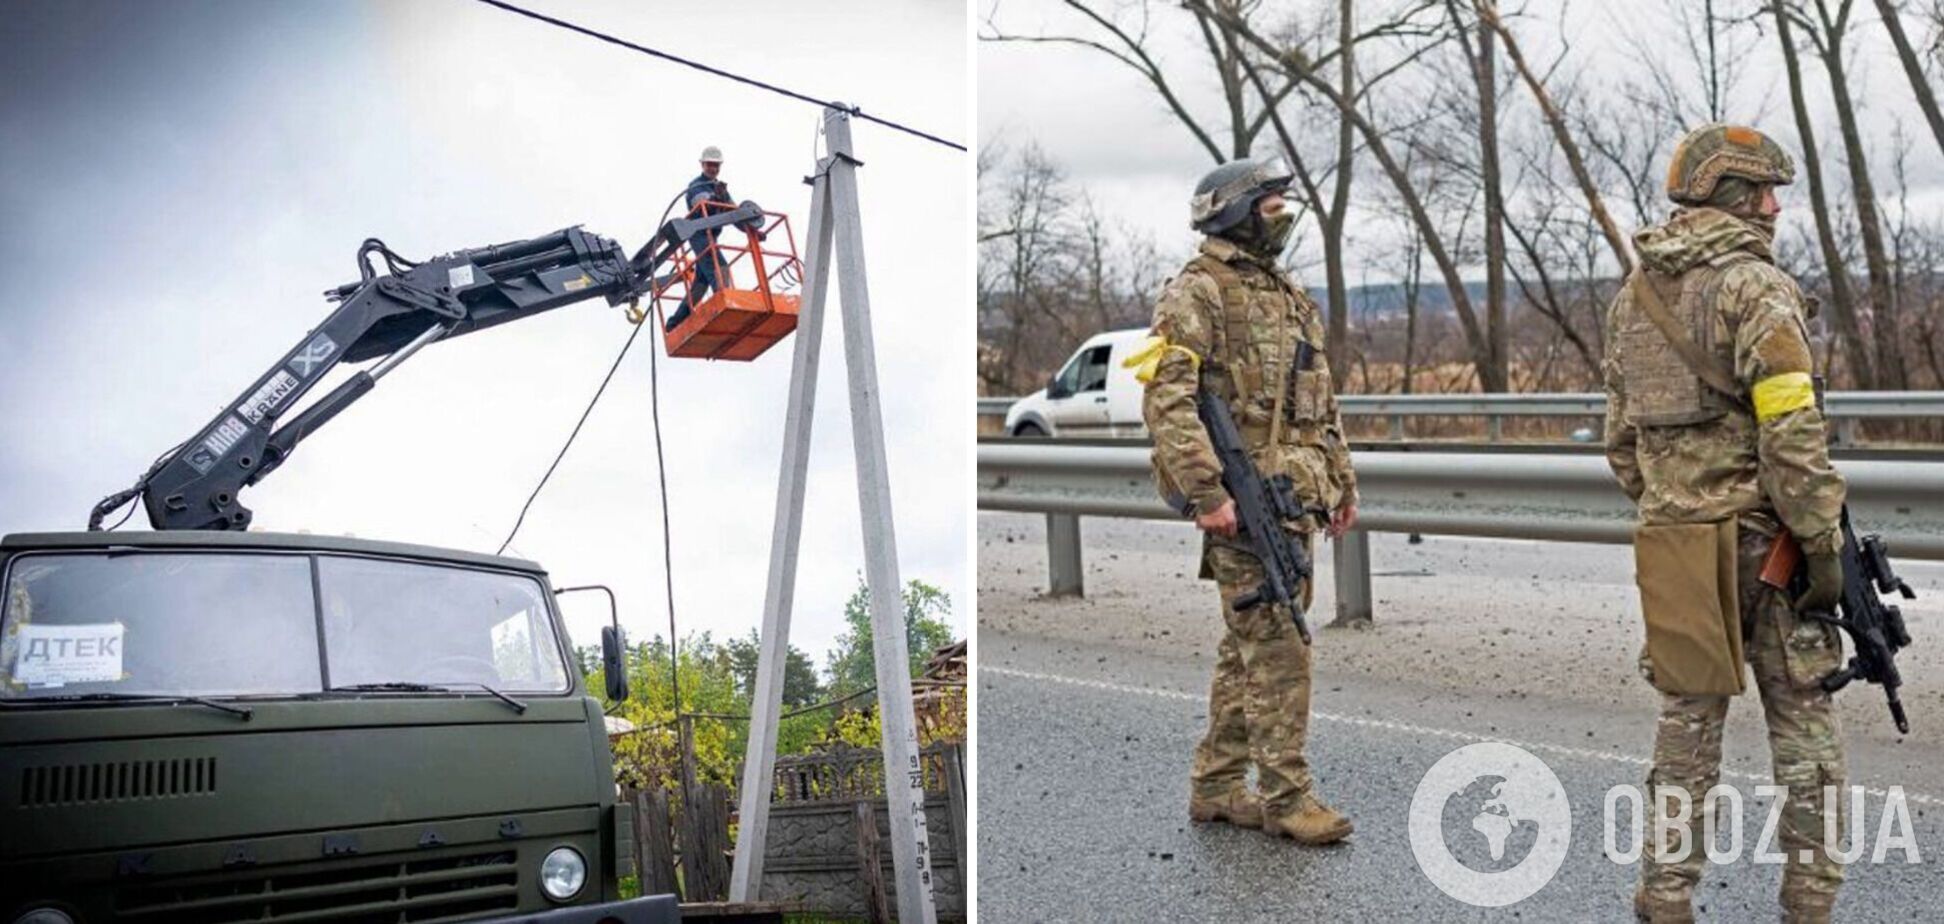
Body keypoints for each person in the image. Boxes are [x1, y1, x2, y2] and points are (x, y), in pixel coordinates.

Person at [1603, 123, 1848, 924]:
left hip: (1678, 542)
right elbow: (1791, 430)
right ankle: (1810, 903)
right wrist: (1819, 540)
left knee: (1686, 728)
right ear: (1734, 194)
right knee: (1804, 724)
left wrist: (1674, 501)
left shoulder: (1634, 298)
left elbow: (1620, 441)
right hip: (1761, 544)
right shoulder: (1756, 288)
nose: (1776, 206)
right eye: (1767, 190)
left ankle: (1664, 894)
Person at [1138, 156, 1359, 845]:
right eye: (1270, 206)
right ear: (1234, 212)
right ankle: (1287, 798)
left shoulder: (1285, 292)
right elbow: (1167, 398)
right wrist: (1206, 491)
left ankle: (1216, 784)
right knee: (1281, 649)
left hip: (1298, 496)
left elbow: (1317, 398)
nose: (1283, 216)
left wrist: (1343, 481)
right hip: (1242, 499)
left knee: (1252, 643)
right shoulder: (1197, 292)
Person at [667, 145, 735, 331]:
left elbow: (734, 212)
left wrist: (751, 228)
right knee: (719, 267)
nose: (713, 169)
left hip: (709, 237)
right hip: (699, 236)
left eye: (716, 165)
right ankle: (725, 302)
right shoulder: (696, 185)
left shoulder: (720, 188)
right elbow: (702, 204)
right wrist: (716, 197)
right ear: (703, 165)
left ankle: (674, 323)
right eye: (710, 165)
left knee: (701, 283)